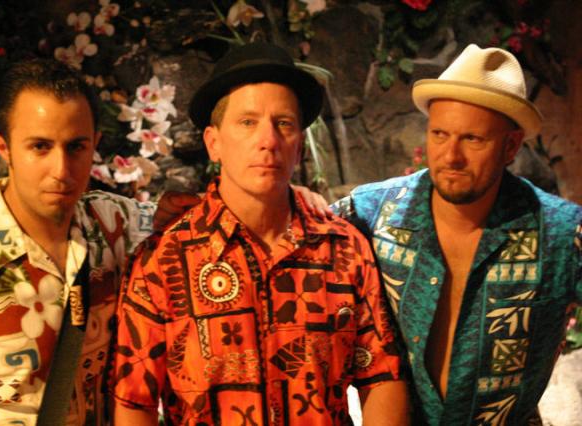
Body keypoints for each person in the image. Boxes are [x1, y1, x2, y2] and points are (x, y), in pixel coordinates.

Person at [112, 42, 411, 425]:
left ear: (299, 146)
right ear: (213, 143)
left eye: (283, 123)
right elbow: (134, 398)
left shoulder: (344, 249)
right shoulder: (164, 259)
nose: (268, 140)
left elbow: (382, 375)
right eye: (248, 122)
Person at [332, 44, 582, 424]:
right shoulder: (371, 213)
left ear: (511, 146)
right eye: (439, 134)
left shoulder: (561, 233)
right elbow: (300, 242)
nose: (451, 156)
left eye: (472, 139)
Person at [0, 59, 197, 425]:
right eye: (40, 147)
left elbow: (188, 221)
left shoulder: (115, 224)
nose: (61, 170)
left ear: (94, 144)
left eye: (76, 147)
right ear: (3, 147)